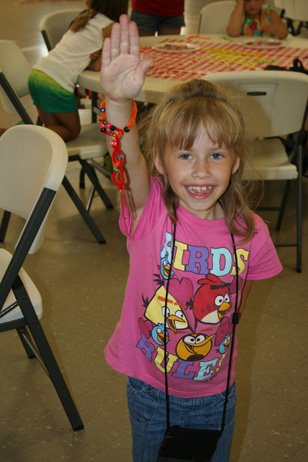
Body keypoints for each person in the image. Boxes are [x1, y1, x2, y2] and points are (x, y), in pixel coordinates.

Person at [100, 15, 283, 462]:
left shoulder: (252, 234)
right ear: (159, 162)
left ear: (235, 161)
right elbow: (125, 161)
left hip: (216, 394)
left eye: (215, 154)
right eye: (185, 154)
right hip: (149, 390)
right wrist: (116, 102)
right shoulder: (151, 211)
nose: (201, 170)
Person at [28, 0, 128, 141]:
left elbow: (87, 59)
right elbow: (99, 66)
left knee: (53, 132)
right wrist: (99, 55)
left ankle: (20, 135)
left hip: (38, 73)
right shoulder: (112, 27)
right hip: (57, 83)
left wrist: (93, 56)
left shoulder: (84, 18)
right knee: (72, 131)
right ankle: (17, 136)